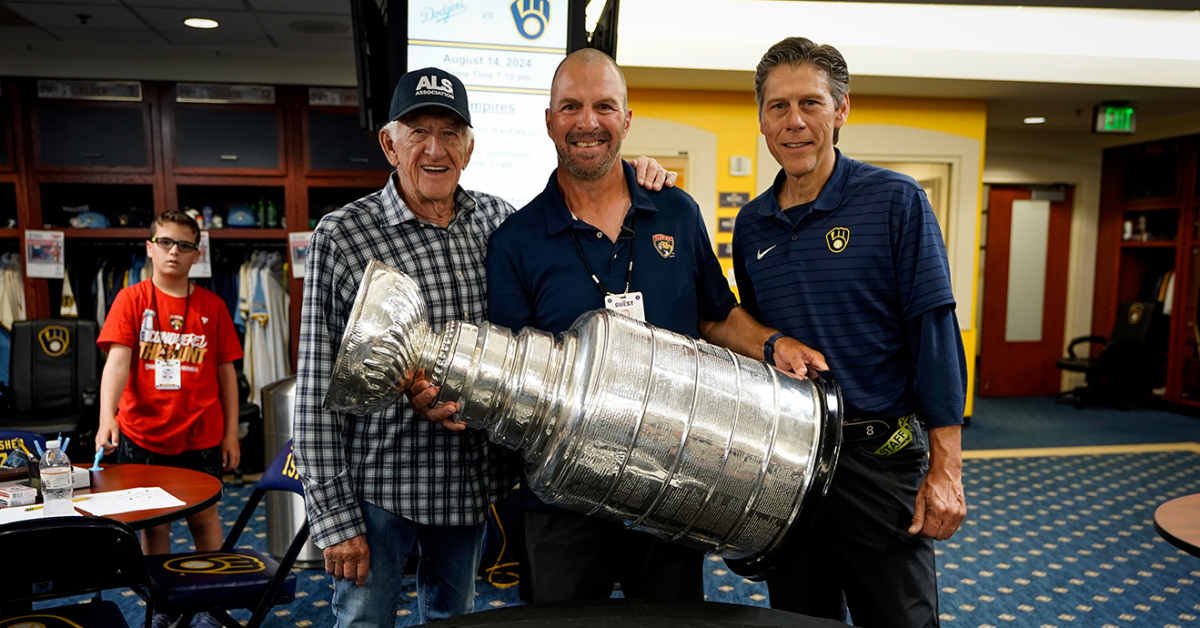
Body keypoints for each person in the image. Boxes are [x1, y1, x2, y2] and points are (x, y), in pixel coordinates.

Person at [293, 66, 676, 626]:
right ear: (389, 143)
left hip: (465, 489)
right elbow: (314, 386)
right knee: (363, 623)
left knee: (457, 619)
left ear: (469, 148)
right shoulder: (343, 235)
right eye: (417, 131)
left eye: (450, 134)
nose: (434, 149)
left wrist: (641, 173)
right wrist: (334, 519)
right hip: (379, 491)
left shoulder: (497, 222)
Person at [484, 48, 827, 605]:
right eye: (570, 107)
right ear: (549, 121)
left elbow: (716, 315)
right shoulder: (514, 242)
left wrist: (773, 343)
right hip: (563, 501)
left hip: (673, 485)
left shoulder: (675, 212)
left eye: (604, 106)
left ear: (626, 118)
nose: (587, 122)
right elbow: (510, 374)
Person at [732, 37, 968, 627]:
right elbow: (758, 338)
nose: (794, 123)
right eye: (778, 107)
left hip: (879, 462)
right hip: (790, 463)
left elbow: (936, 338)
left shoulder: (896, 202)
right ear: (761, 120)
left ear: (841, 111)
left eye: (810, 104)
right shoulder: (752, 223)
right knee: (800, 616)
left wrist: (947, 470)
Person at [95, 209, 242, 627]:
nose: (174, 252)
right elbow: (117, 364)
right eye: (165, 243)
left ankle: (215, 605)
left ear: (197, 254)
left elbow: (226, 372)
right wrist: (108, 415)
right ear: (150, 247)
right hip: (143, 433)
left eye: (184, 245)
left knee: (204, 518)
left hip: (201, 433)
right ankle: (164, 606)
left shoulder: (213, 306)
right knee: (154, 526)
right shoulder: (131, 299)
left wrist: (231, 433)